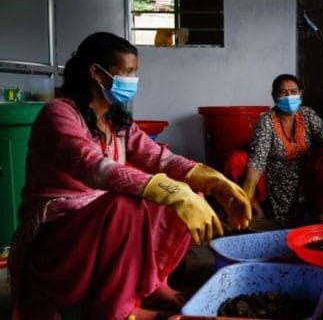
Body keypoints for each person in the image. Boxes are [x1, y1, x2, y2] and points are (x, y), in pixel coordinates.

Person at [9, 32, 252, 320]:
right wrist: (171, 192)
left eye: (135, 73)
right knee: (126, 205)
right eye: (126, 72)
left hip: (102, 227)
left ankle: (151, 284)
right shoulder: (59, 114)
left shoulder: (116, 121)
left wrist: (215, 183)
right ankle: (115, 310)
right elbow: (94, 167)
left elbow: (160, 158)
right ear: (96, 73)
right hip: (56, 238)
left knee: (183, 192)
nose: (132, 80)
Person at [225, 74, 323, 221]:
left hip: (305, 174)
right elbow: (257, 162)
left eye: (294, 92)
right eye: (283, 92)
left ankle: (320, 211)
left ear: (301, 93)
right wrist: (245, 199)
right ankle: (256, 211)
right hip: (273, 176)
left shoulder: (307, 114)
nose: (289, 96)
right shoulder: (266, 121)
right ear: (275, 96)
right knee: (235, 159)